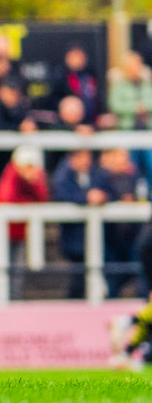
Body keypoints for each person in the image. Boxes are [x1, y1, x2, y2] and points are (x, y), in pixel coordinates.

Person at [0, 144, 50, 299]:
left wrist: (34, 182)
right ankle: (3, 300)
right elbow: (6, 199)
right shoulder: (11, 175)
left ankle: (14, 300)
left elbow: (42, 198)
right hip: (3, 231)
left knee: (17, 271)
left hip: (20, 231)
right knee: (2, 269)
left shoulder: (34, 178)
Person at [50, 148, 107, 299]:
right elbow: (61, 195)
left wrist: (102, 197)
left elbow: (107, 189)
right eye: (83, 157)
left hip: (95, 235)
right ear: (73, 158)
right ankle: (74, 304)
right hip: (73, 235)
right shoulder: (63, 175)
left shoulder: (96, 173)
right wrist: (86, 197)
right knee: (78, 276)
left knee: (95, 273)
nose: (87, 160)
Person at [99, 147, 142, 298]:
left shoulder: (133, 176)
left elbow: (141, 195)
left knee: (134, 270)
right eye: (120, 157)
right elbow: (100, 196)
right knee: (112, 275)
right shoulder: (102, 177)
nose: (124, 161)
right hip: (110, 236)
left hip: (131, 235)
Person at [107, 49, 152, 184]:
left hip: (147, 131)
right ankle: (133, 195)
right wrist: (134, 108)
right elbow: (115, 104)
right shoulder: (119, 84)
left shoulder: (146, 83)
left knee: (150, 164)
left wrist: (144, 107)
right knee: (131, 167)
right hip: (127, 130)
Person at [45, 45, 100, 122]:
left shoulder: (91, 75)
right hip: (67, 123)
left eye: (80, 57)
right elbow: (54, 100)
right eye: (74, 57)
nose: (77, 60)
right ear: (67, 59)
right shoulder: (60, 77)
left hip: (91, 121)